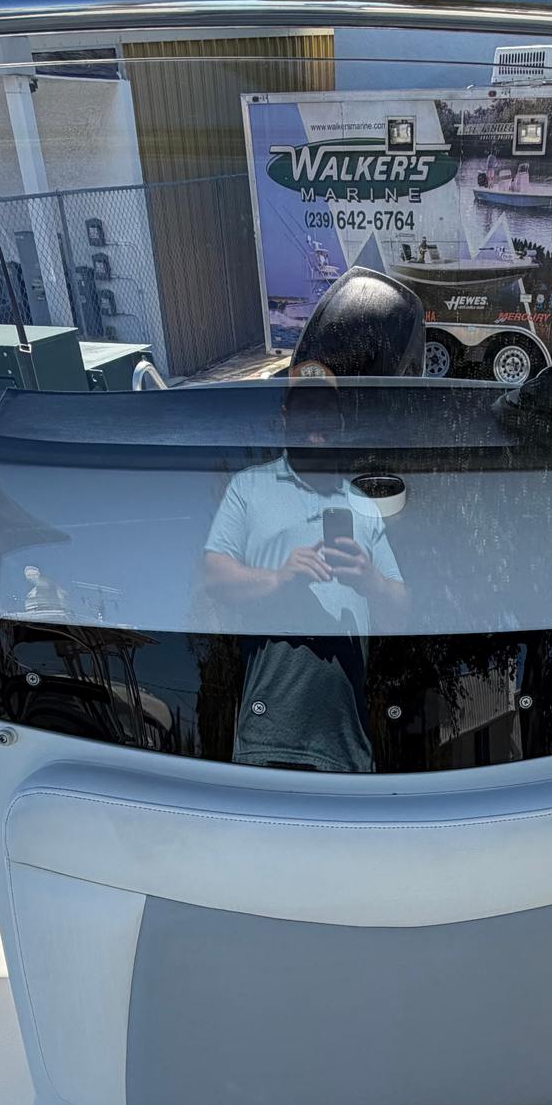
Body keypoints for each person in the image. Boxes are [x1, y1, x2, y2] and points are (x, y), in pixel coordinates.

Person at [203, 269, 417, 771]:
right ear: (285, 415)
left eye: (325, 413)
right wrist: (282, 577)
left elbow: (403, 614)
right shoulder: (248, 487)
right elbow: (213, 579)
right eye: (305, 411)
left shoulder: (363, 504)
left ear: (340, 421)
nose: (315, 425)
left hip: (348, 745)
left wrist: (368, 579)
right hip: (265, 741)